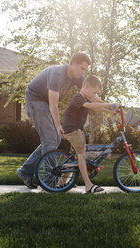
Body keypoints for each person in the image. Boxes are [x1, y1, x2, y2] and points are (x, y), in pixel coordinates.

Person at [16, 53, 102, 189]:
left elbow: (90, 96)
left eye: (85, 70)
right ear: (73, 63)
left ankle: (26, 170)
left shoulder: (78, 78)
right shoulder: (57, 73)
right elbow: (53, 105)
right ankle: (50, 182)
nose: (83, 72)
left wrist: (109, 106)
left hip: (45, 104)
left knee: (54, 140)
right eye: (81, 68)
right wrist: (58, 125)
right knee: (51, 138)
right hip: (35, 100)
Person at [61, 75, 119, 193]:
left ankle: (62, 181)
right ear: (86, 86)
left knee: (74, 156)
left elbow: (96, 108)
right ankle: (88, 185)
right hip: (73, 130)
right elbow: (90, 105)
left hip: (75, 130)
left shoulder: (85, 98)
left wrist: (110, 111)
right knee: (82, 155)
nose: (94, 95)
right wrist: (109, 104)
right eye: (94, 92)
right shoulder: (78, 97)